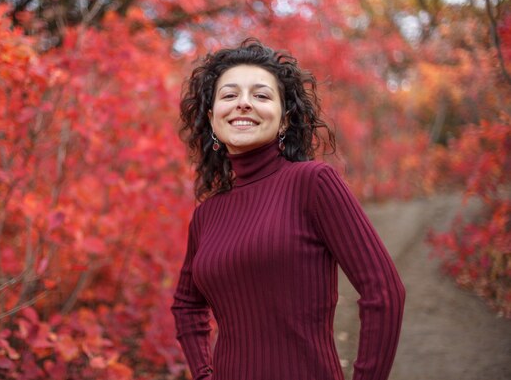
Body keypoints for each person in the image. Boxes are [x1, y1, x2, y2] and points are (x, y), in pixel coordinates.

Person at [171, 38, 405, 380]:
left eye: (262, 95)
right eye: (229, 95)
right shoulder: (207, 215)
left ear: (283, 121)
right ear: (211, 118)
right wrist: (205, 373)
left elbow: (384, 290)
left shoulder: (313, 183)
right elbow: (186, 305)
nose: (243, 104)